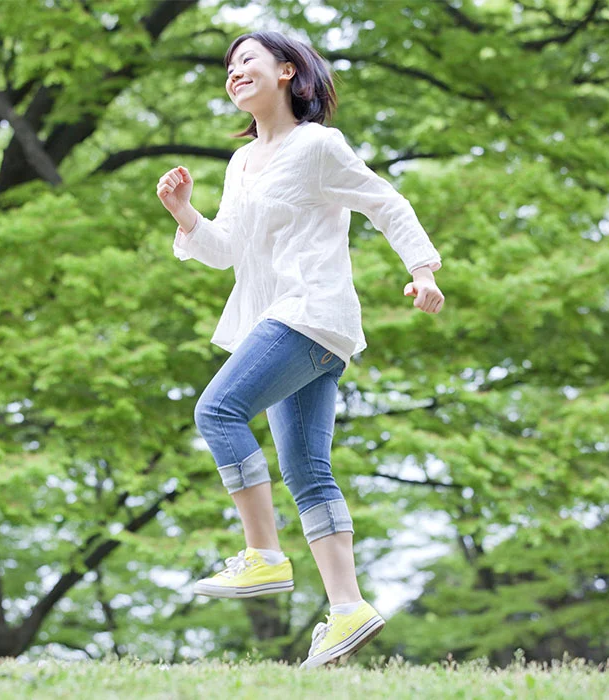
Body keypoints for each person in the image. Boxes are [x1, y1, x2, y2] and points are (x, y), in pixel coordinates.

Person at [156, 31, 445, 669]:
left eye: (247, 61)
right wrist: (184, 214)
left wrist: (423, 270)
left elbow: (385, 203)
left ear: (287, 72)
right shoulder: (240, 164)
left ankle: (262, 555)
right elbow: (225, 250)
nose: (234, 73)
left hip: (308, 314)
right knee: (307, 471)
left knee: (217, 411)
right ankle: (348, 607)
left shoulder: (316, 145)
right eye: (228, 67)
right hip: (279, 322)